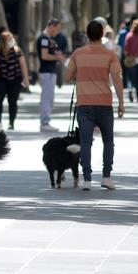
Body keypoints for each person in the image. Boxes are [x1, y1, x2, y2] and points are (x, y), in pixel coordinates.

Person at [65, 20, 125, 191]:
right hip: (104, 104)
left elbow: (67, 77)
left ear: (87, 34)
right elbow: (117, 80)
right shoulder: (110, 54)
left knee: (85, 142)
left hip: (84, 104)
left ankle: (87, 179)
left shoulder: (78, 53)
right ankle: (106, 177)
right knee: (108, 142)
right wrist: (121, 103)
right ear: (103, 33)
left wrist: (79, 71)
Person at [0, 31, 29, 130]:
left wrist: (26, 78)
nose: (12, 40)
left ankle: (11, 122)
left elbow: (23, 65)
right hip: (2, 78)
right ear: (3, 41)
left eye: (12, 38)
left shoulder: (17, 51)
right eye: (9, 39)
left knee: (12, 101)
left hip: (15, 79)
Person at [36, 19, 65, 132]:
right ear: (51, 26)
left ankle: (46, 121)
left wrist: (57, 55)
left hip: (50, 71)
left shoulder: (49, 39)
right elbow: (44, 55)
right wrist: (56, 57)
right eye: (57, 29)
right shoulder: (44, 38)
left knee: (49, 98)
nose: (57, 32)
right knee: (46, 98)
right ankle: (44, 122)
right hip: (46, 71)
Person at [54, 24, 69, 88]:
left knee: (59, 68)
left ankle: (59, 83)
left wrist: (62, 52)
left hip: (60, 55)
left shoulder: (63, 37)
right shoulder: (52, 36)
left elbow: (65, 46)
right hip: (53, 54)